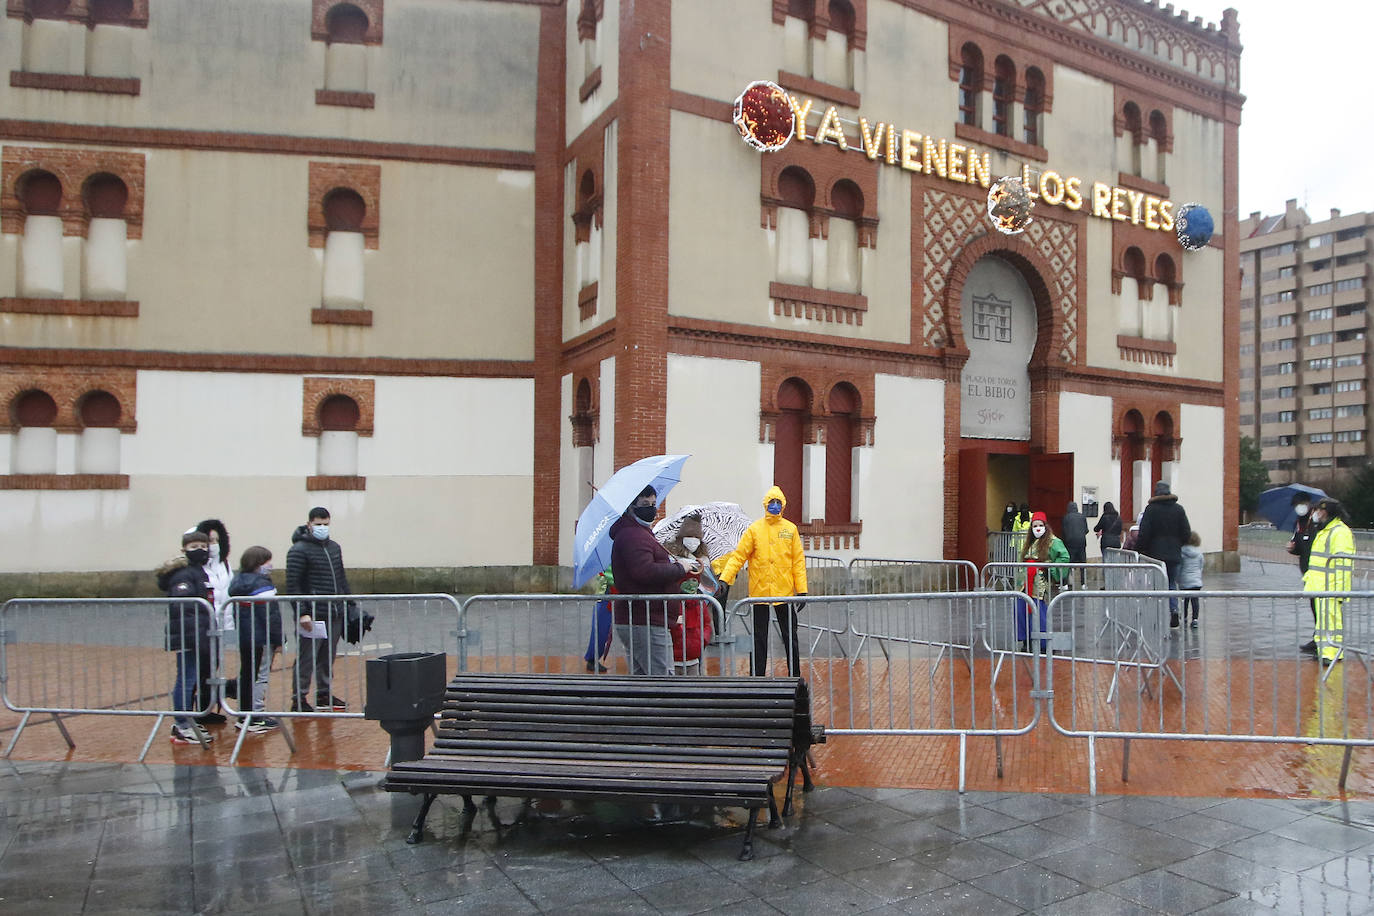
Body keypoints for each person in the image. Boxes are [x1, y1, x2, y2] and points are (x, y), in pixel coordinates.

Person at [715, 486, 808, 677]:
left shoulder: (790, 529)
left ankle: (795, 675)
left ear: (783, 505)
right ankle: (757, 676)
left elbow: (798, 561)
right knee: (759, 638)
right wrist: (725, 578)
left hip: (785, 594)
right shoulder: (755, 530)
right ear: (765, 504)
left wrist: (802, 590)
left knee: (790, 636)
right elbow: (738, 556)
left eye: (778, 502)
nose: (774, 506)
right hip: (760, 592)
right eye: (771, 502)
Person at [608, 486, 696, 675]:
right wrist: (679, 568)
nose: (651, 508)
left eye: (653, 504)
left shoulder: (641, 533)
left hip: (646, 618)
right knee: (662, 681)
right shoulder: (633, 535)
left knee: (643, 683)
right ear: (631, 507)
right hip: (645, 620)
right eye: (644, 504)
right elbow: (644, 571)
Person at [286, 507, 353, 711]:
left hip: (334, 612)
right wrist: (302, 612)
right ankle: (299, 698)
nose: (322, 528)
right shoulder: (299, 550)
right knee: (308, 656)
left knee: (327, 656)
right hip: (313, 613)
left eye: (325, 524)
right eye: (318, 524)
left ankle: (324, 694)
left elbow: (341, 578)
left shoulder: (334, 547)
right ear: (309, 524)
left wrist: (350, 605)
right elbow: (293, 585)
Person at [156, 529, 215, 746]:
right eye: (194, 547)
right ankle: (182, 723)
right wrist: (198, 638)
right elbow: (186, 610)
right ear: (184, 550)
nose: (200, 550)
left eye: (203, 546)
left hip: (199, 635)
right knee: (186, 679)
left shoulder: (198, 572)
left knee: (191, 678)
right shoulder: (184, 574)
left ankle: (187, 720)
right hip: (189, 637)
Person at [228, 546, 284, 732]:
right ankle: (255, 715)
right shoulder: (263, 586)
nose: (270, 565)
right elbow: (271, 616)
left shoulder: (238, 582)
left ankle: (244, 714)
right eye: (267, 561)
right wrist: (279, 639)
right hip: (262, 638)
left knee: (247, 675)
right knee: (260, 676)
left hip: (246, 637)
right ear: (258, 563)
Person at [1304, 497, 1355, 665]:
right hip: (1320, 587)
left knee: (1332, 622)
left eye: (1319, 510)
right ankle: (1324, 651)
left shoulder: (1339, 532)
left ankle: (1332, 653)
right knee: (1323, 622)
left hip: (1331, 588)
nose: (1316, 513)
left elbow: (1343, 565)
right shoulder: (1324, 530)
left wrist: (1340, 591)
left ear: (1326, 511)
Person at [1136, 481, 1191, 628]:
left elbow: (1144, 533)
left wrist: (1140, 549)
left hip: (1155, 554)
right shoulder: (1179, 510)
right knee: (1171, 584)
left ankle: (1156, 613)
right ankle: (1173, 609)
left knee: (1156, 584)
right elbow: (1186, 533)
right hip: (1174, 554)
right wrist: (1178, 544)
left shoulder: (1151, 510)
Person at [194, 518, 233, 722]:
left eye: (216, 540)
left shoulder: (224, 564)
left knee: (213, 666)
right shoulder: (197, 566)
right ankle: (196, 712)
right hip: (202, 625)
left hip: (220, 624)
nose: (213, 545)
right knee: (200, 668)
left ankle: (206, 708)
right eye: (209, 540)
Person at [1018, 511, 1069, 651]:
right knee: (1021, 609)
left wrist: (1049, 568)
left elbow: (1064, 558)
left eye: (1040, 525)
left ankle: (1043, 643)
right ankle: (1026, 640)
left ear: (1045, 526)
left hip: (1040, 581)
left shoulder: (1054, 542)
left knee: (1038, 610)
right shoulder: (1029, 542)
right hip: (1025, 583)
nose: (1038, 528)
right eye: (1035, 525)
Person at [1287, 493, 1319, 654]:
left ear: (1307, 503)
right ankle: (1317, 638)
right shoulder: (1299, 523)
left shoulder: (1317, 522)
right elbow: (1300, 547)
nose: (1298, 508)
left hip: (1321, 573)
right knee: (1314, 606)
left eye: (1300, 504)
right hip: (1308, 573)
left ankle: (1322, 640)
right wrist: (1293, 549)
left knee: (1322, 607)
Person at [583, 569, 614, 673]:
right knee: (601, 628)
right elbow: (608, 573)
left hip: (609, 592)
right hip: (606, 593)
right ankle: (592, 658)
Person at [1178, 531, 1204, 629]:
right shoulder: (1199, 553)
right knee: (1195, 600)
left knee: (1185, 600)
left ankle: (1184, 617)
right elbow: (1201, 566)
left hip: (1184, 579)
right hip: (1196, 581)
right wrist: (1198, 576)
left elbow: (1180, 566)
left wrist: (1178, 578)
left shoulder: (1181, 552)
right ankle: (1195, 620)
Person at [1061, 501, 1089, 587]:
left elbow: (1064, 531)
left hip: (1070, 543)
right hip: (1081, 542)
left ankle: (1065, 583)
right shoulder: (1082, 516)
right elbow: (1086, 530)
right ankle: (1083, 583)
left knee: (1068, 564)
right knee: (1082, 564)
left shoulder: (1066, 517)